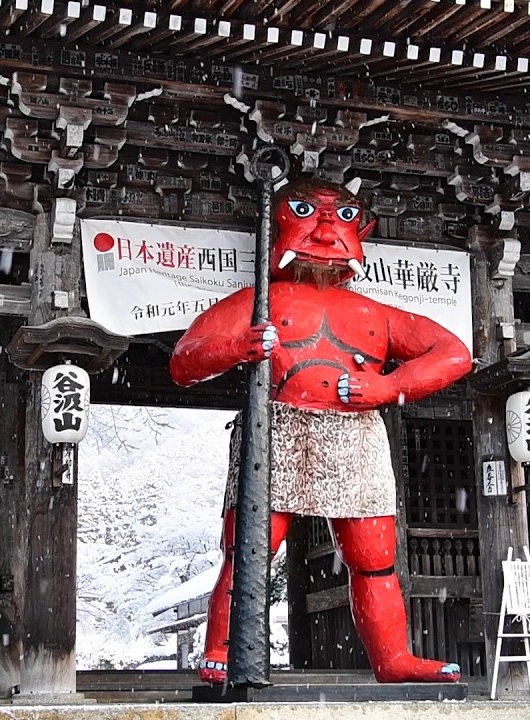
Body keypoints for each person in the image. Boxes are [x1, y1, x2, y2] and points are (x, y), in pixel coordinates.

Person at [170, 177, 473, 684]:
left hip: (356, 430)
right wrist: (236, 348)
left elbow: (454, 354)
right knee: (249, 548)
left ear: (363, 230)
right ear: (277, 223)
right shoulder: (259, 302)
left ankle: (393, 657)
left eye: (344, 216)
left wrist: (388, 386)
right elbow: (184, 361)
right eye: (306, 212)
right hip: (278, 421)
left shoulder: (375, 313)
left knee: (374, 557)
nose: (328, 231)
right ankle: (223, 647)